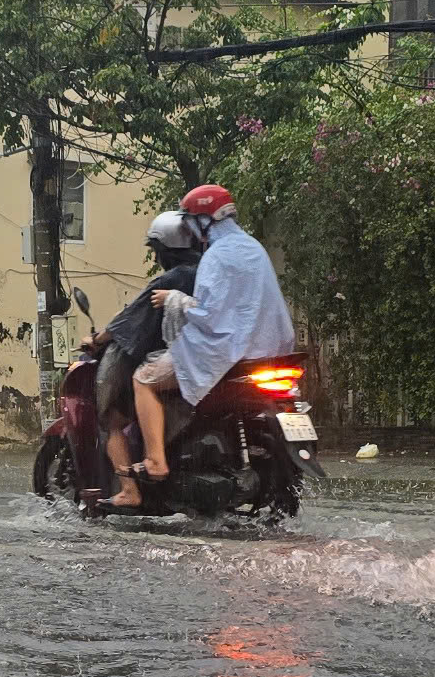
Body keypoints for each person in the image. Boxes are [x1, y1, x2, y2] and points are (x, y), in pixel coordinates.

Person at [128, 184, 297, 485]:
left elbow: (208, 314)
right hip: (268, 351)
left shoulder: (216, 256)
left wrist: (173, 299)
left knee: (144, 379)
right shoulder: (254, 248)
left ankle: (155, 461)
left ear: (204, 220)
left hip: (225, 352)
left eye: (191, 221)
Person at [89, 212, 202, 507]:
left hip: (189, 360)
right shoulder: (211, 273)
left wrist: (96, 339)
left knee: (115, 416)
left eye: (155, 250)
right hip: (221, 358)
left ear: (164, 249)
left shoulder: (171, 280)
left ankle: (137, 483)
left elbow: (127, 320)